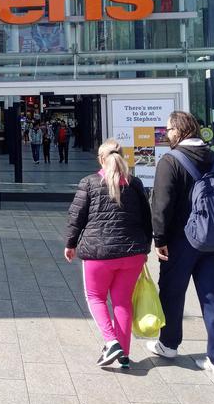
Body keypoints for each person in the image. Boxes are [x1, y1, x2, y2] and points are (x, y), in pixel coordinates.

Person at [146, 110, 214, 377]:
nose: (167, 134)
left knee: (172, 292)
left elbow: (161, 205)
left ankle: (169, 344)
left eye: (169, 129)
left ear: (179, 130)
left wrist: (159, 239)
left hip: (180, 240)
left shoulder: (170, 161)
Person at [64, 139, 152, 368]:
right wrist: (145, 248)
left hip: (98, 253)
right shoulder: (135, 183)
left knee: (95, 297)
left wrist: (70, 243)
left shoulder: (89, 182)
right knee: (123, 302)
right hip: (132, 253)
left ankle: (111, 342)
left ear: (101, 159)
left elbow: (76, 217)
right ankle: (124, 356)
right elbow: (147, 218)